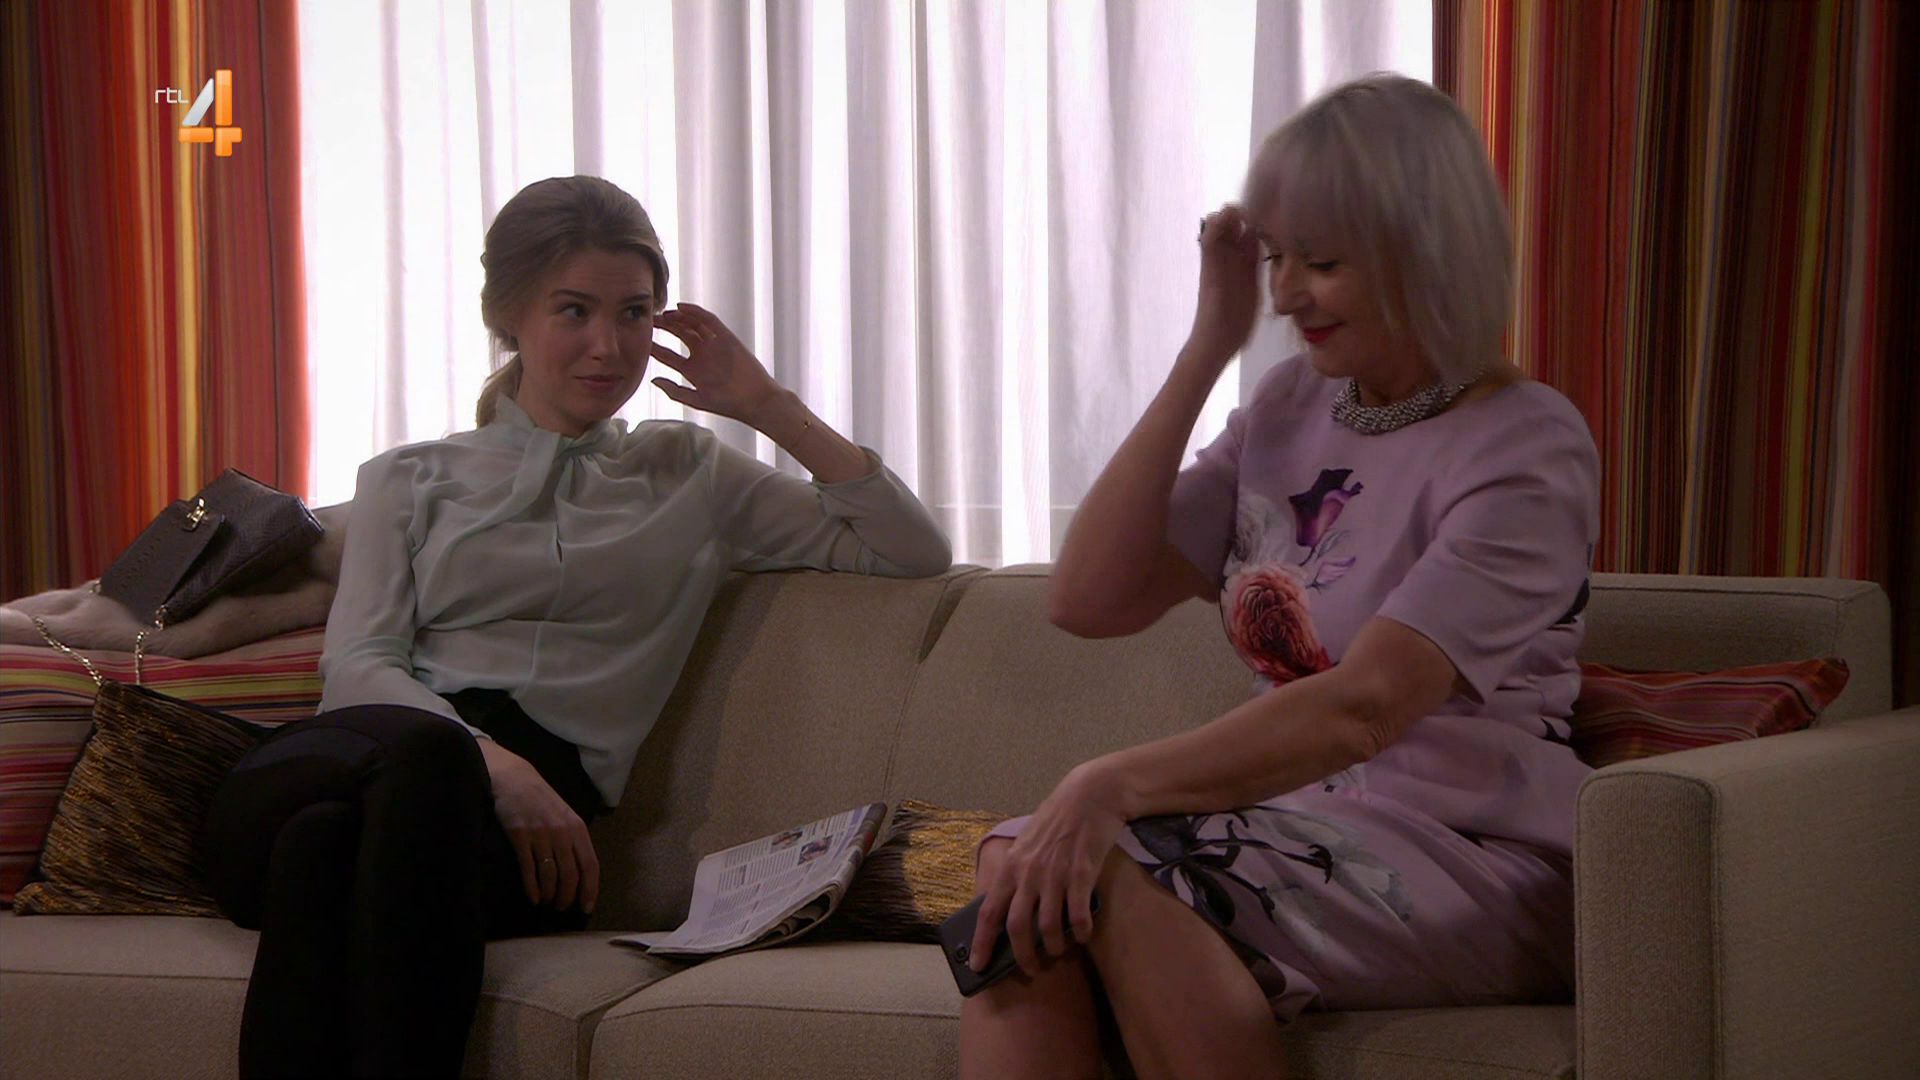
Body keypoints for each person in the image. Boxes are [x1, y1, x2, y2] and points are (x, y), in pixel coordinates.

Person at [197, 175, 952, 1079]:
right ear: (509, 316)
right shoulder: (408, 477)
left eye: (634, 314)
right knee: (405, 773)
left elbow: (910, 549)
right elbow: (358, 665)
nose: (609, 345)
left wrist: (766, 406)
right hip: (362, 757)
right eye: (574, 311)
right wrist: (497, 765)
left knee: (320, 855)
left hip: (520, 851)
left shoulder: (691, 474)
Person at [958, 73, 1600, 1080]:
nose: (1289, 293)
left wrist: (1107, 783)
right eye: (1278, 258)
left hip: (1475, 847)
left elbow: (1369, 707)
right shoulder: (1291, 407)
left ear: (1427, 249)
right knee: (1018, 871)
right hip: (1296, 818)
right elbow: (1087, 599)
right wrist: (1206, 349)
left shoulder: (1526, 444)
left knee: (1103, 868)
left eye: (1324, 261)